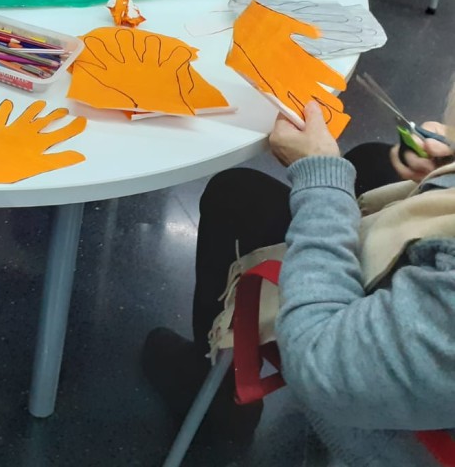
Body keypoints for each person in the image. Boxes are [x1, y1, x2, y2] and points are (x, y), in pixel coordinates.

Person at [143, 99, 455, 463]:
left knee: (235, 196)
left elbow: (325, 369)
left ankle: (220, 404)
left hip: (368, 396)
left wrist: (320, 180)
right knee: (372, 161)